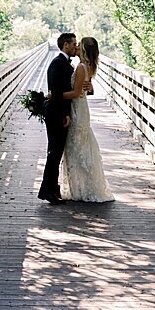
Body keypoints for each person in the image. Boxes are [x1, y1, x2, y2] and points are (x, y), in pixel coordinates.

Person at [61, 36, 114, 202]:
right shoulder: (88, 66)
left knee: (75, 148)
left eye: (78, 45)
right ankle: (83, 187)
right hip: (82, 108)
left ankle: (81, 190)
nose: (75, 47)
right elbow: (86, 89)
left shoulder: (81, 67)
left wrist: (53, 96)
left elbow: (76, 93)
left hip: (78, 109)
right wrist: (89, 87)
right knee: (81, 146)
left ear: (83, 49)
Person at [37, 31, 76, 204]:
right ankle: (47, 191)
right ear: (65, 45)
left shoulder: (63, 63)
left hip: (57, 110)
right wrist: (65, 114)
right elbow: (57, 93)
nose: (76, 47)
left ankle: (53, 189)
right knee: (54, 152)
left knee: (56, 152)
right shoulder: (57, 63)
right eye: (73, 44)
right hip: (55, 112)